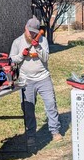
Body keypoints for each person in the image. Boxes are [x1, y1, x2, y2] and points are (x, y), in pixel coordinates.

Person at [10, 17, 61, 145]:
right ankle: (31, 135)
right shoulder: (17, 42)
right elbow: (12, 60)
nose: (32, 34)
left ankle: (55, 131)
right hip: (26, 79)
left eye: (34, 32)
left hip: (43, 77)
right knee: (28, 108)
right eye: (30, 31)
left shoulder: (42, 41)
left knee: (51, 104)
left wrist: (37, 47)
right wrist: (22, 55)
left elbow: (46, 58)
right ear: (25, 28)